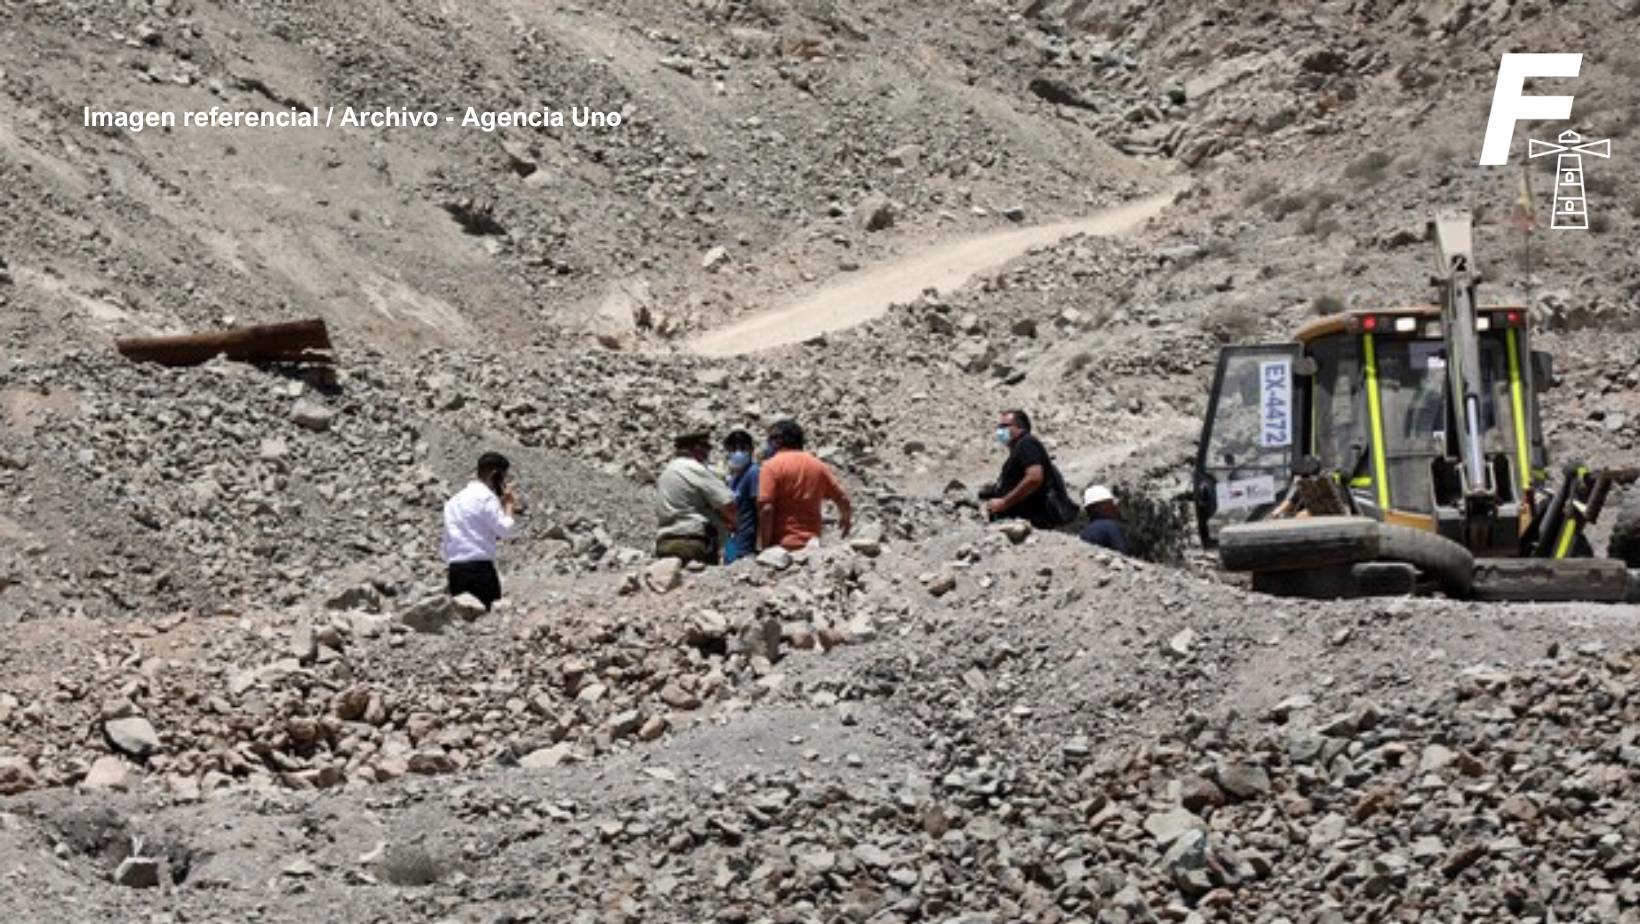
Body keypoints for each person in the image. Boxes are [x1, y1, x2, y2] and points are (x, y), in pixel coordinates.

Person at [757, 419, 852, 551]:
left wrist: (765, 547)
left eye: (770, 440)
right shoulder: (818, 465)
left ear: (778, 441)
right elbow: (842, 498)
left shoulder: (770, 467)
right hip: (811, 546)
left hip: (782, 546)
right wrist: (846, 519)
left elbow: (766, 509)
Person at [442, 452, 517, 610]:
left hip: (455, 571)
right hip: (480, 571)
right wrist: (509, 505)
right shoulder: (487, 497)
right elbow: (505, 530)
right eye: (503, 478)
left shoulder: (453, 501)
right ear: (495, 475)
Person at [655, 430, 736, 565]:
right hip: (692, 543)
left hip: (664, 543)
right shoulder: (695, 469)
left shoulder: (667, 471)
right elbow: (728, 505)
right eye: (707, 448)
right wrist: (736, 524)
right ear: (697, 448)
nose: (707, 454)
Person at [983, 409, 1058, 528]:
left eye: (1004, 426)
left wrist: (1004, 503)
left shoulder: (1026, 444)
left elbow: (1034, 478)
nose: (1000, 431)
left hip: (1030, 521)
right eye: (999, 427)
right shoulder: (1020, 447)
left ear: (1020, 427)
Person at [721, 429, 761, 564]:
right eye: (733, 448)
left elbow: (759, 507)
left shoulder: (753, 472)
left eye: (743, 448)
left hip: (746, 542)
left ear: (751, 450)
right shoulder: (734, 478)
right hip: (732, 541)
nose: (738, 452)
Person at [1078, 484, 1130, 554]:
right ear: (1103, 507)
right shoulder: (1111, 527)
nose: (1114, 508)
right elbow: (1122, 554)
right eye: (1111, 504)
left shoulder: (1084, 532)